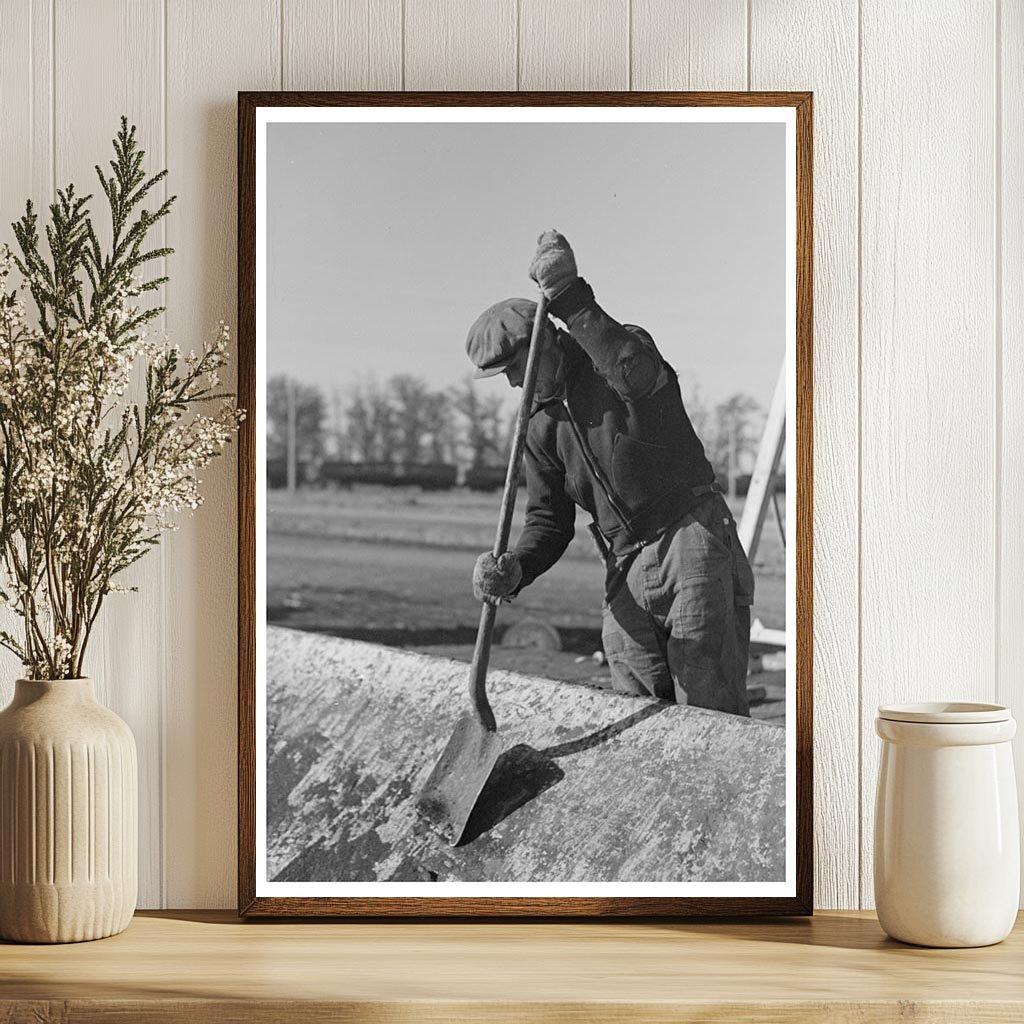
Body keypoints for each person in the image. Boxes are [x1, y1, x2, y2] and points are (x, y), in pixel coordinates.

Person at [465, 231, 755, 716]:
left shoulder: (618, 357)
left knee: (709, 705)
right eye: (504, 377)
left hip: (689, 537)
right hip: (623, 563)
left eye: (515, 366)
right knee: (634, 711)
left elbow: (632, 373)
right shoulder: (537, 425)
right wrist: (516, 566)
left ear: (547, 342)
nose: (514, 382)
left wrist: (571, 297)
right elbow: (548, 520)